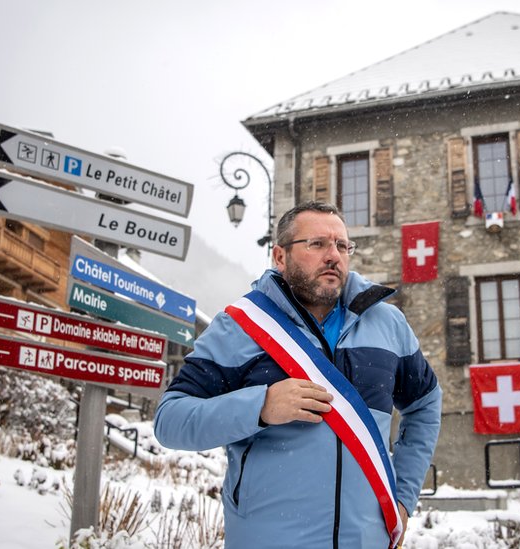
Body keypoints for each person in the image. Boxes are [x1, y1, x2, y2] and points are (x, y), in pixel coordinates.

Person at [154, 201, 442, 548]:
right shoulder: (238, 328)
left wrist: (404, 497)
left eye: (341, 245)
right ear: (280, 256)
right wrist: (260, 406)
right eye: (317, 244)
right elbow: (170, 420)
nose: (333, 255)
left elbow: (425, 403)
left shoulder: (388, 322)